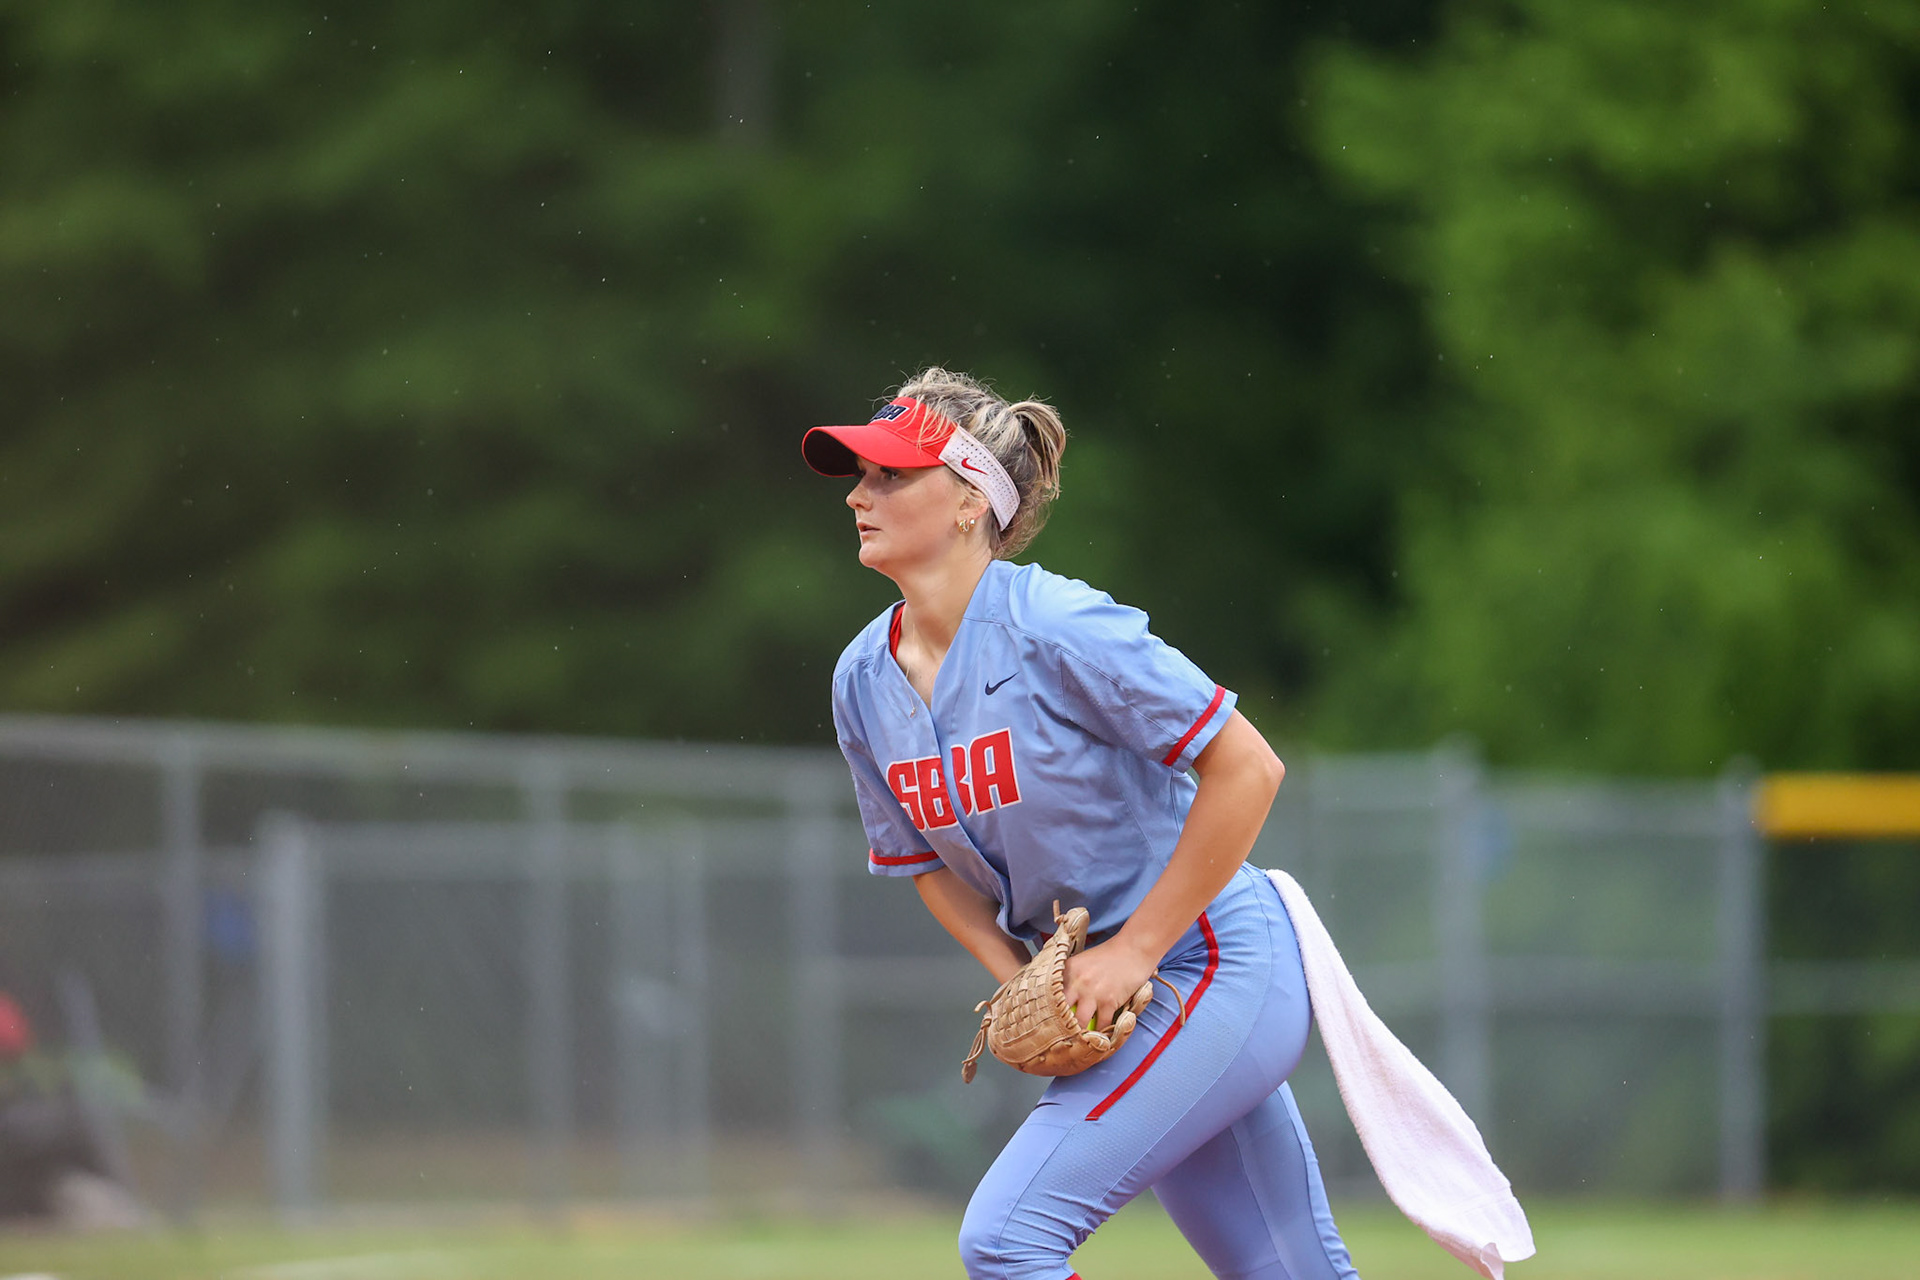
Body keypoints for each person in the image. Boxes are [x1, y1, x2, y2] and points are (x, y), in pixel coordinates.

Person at [805, 369, 1359, 1280]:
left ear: (969, 503)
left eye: (892, 475)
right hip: (1105, 994)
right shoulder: (863, 679)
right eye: (861, 475)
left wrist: (1136, 949)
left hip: (1211, 961)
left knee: (1007, 1241)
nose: (862, 494)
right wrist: (1021, 983)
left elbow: (1247, 768)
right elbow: (920, 862)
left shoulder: (1056, 625)